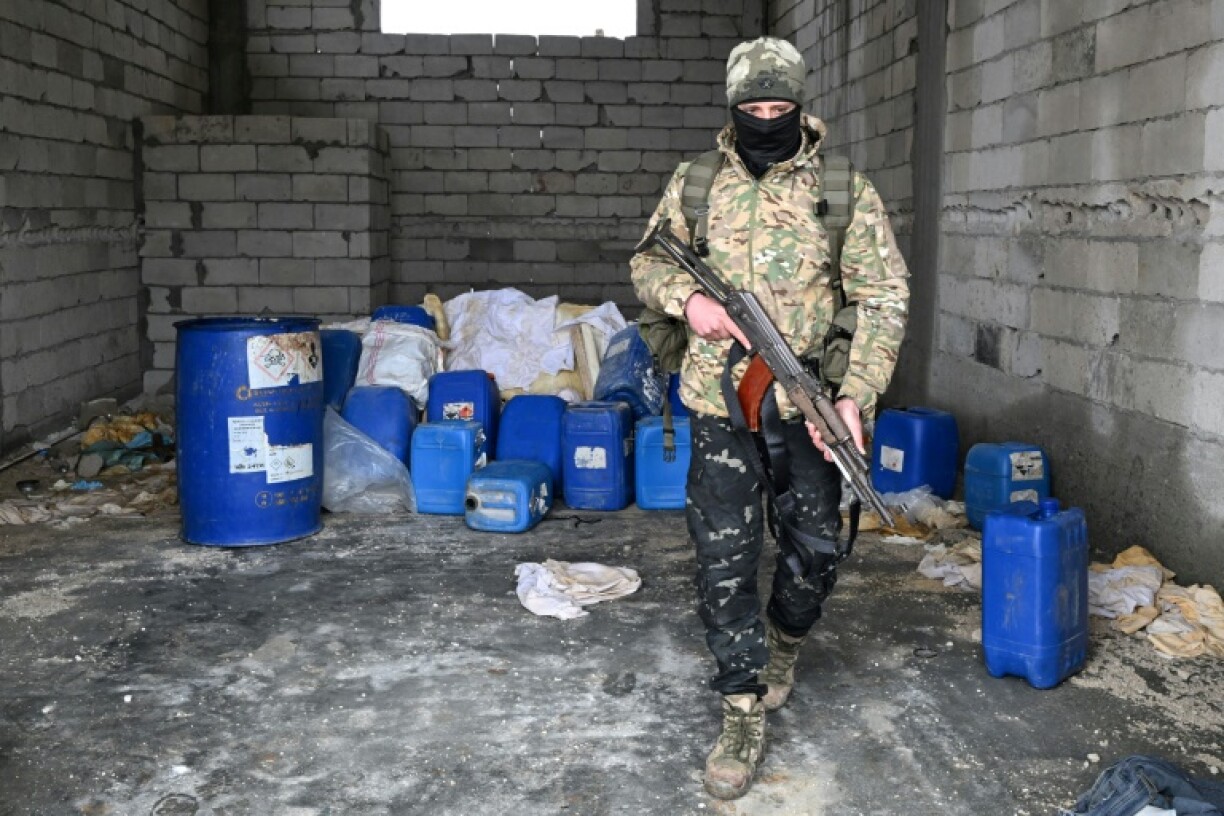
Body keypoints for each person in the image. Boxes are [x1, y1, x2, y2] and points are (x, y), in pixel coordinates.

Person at [630, 36, 910, 800]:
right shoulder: (695, 185)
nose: (764, 118)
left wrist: (854, 394)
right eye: (750, 108)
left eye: (778, 106)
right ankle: (741, 702)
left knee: (816, 551)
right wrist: (691, 302)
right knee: (723, 557)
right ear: (731, 108)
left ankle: (784, 641)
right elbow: (649, 259)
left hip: (807, 402)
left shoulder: (844, 189)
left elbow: (883, 297)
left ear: (799, 104)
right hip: (716, 403)